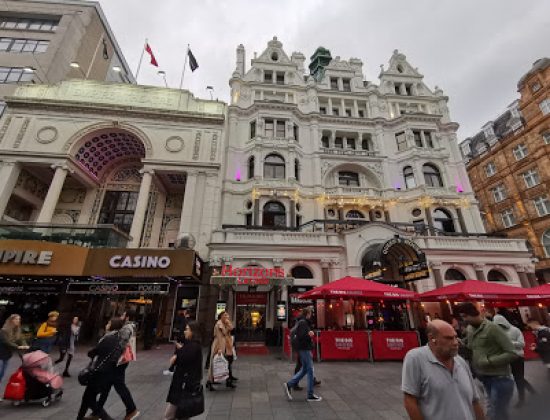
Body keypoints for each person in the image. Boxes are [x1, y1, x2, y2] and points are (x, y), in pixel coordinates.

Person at [401, 320, 485, 420]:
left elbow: (474, 400)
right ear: (432, 338)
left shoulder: (460, 362)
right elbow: (410, 401)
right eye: (448, 338)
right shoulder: (415, 358)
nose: (455, 342)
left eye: (455, 337)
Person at [457, 302, 517, 420]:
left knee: (496, 413)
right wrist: (461, 344)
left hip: (500, 378)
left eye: (465, 316)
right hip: (484, 377)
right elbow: (471, 348)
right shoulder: (470, 329)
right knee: (496, 412)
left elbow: (512, 353)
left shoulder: (493, 328)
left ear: (472, 313)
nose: (463, 320)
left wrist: (489, 361)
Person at [77, 317, 124, 420]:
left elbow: (94, 351)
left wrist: (92, 352)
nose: (107, 324)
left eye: (109, 323)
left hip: (99, 372)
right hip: (106, 373)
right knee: (88, 399)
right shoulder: (117, 338)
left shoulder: (108, 338)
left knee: (89, 400)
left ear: (113, 325)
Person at [96, 311, 140, 420]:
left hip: (118, 362)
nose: (121, 317)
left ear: (127, 317)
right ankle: (97, 412)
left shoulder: (126, 329)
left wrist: (113, 360)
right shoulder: (126, 328)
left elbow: (120, 345)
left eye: (123, 315)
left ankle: (132, 409)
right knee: (107, 386)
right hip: (118, 362)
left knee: (119, 386)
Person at [493, 313, 536, 407]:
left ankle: (522, 399)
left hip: (517, 357)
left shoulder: (515, 330)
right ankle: (532, 391)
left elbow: (522, 344)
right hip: (506, 357)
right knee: (517, 377)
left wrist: (508, 343)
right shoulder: (498, 332)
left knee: (518, 378)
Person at [163, 321, 202, 420]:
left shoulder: (193, 345)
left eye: (187, 329)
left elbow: (185, 358)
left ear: (193, 332)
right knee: (180, 412)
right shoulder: (190, 344)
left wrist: (177, 354)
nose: (185, 331)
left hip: (184, 384)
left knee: (172, 413)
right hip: (183, 384)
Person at [283, 307, 322, 402]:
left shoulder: (301, 322)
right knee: (310, 371)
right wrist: (310, 334)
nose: (311, 314)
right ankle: (310, 394)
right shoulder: (303, 323)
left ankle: (289, 384)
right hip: (304, 348)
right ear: (307, 313)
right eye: (310, 313)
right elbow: (302, 336)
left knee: (305, 369)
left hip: (303, 348)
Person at [0, 314, 29, 400]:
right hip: (0, 355)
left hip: (7, 355)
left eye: (19, 319)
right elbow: (6, 342)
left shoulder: (17, 330)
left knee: (1, 375)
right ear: (11, 320)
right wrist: (17, 347)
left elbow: (21, 339)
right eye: (16, 319)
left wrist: (24, 345)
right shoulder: (3, 330)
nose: (18, 321)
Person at [206, 311, 237, 390]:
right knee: (214, 363)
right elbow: (221, 336)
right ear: (221, 316)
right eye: (225, 315)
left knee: (226, 362)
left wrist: (228, 323)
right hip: (218, 345)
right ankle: (209, 381)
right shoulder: (219, 324)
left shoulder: (225, 323)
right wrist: (219, 349)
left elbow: (231, 329)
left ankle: (227, 381)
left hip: (226, 345)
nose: (227, 316)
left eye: (227, 315)